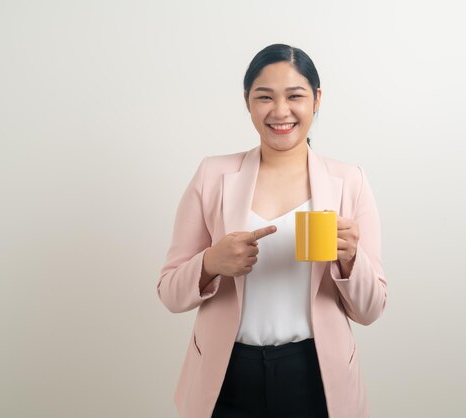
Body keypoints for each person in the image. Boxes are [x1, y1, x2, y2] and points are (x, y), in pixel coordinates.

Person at [157, 43, 386, 418]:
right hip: (225, 373)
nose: (280, 111)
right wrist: (211, 262)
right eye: (265, 96)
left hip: (317, 374)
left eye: (295, 96)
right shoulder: (212, 176)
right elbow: (169, 294)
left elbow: (371, 309)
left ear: (317, 100)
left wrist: (350, 261)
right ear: (248, 101)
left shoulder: (349, 181)